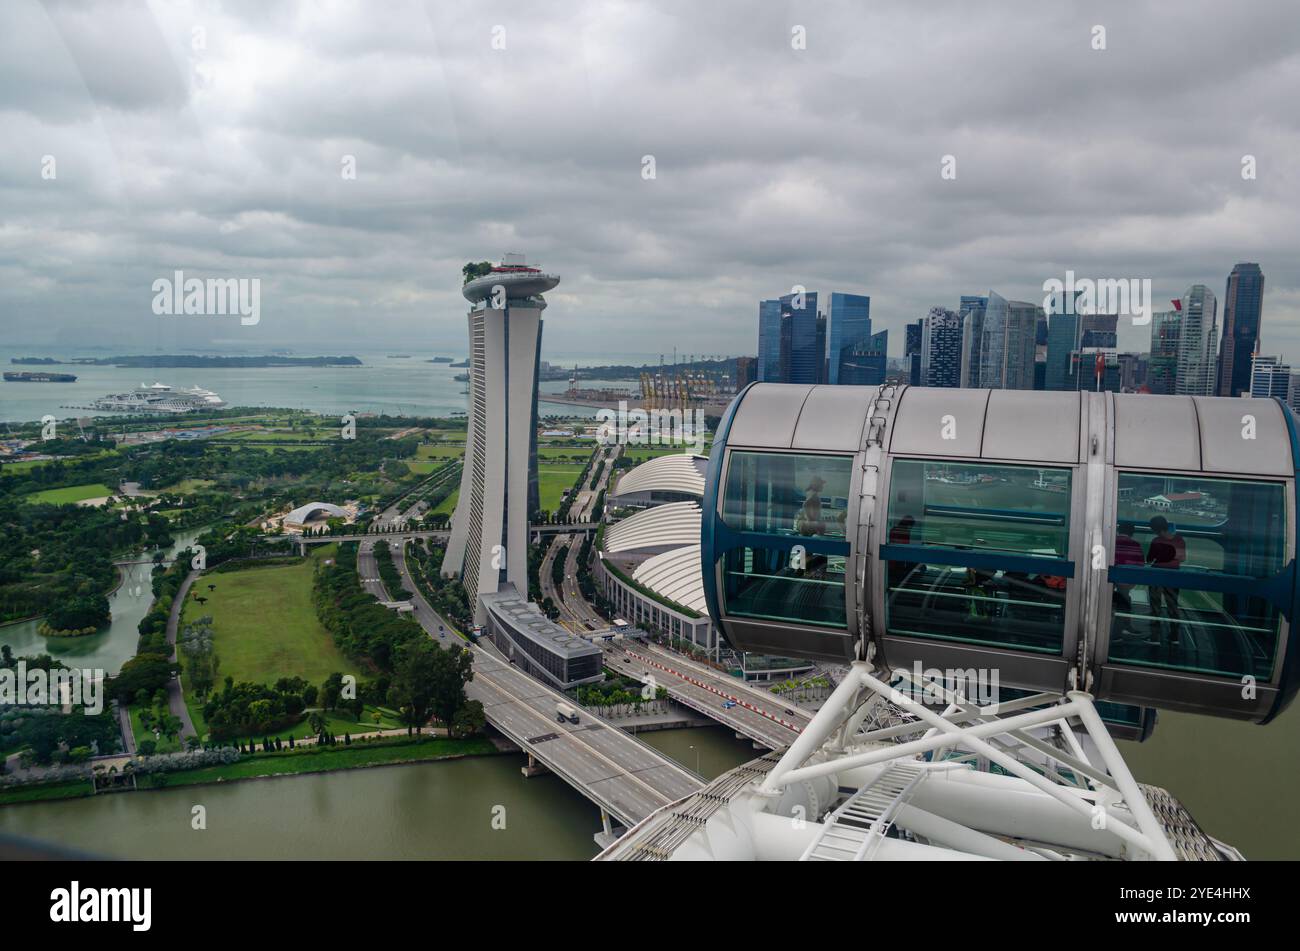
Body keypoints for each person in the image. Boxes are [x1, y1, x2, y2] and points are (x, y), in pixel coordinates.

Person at [1146, 515, 1185, 646]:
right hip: (1173, 576)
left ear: (1155, 529)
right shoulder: (1179, 540)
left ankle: (1154, 637)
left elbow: (1149, 560)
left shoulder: (1156, 540)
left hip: (1156, 575)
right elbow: (1182, 558)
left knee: (1155, 606)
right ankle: (1174, 637)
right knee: (1173, 606)